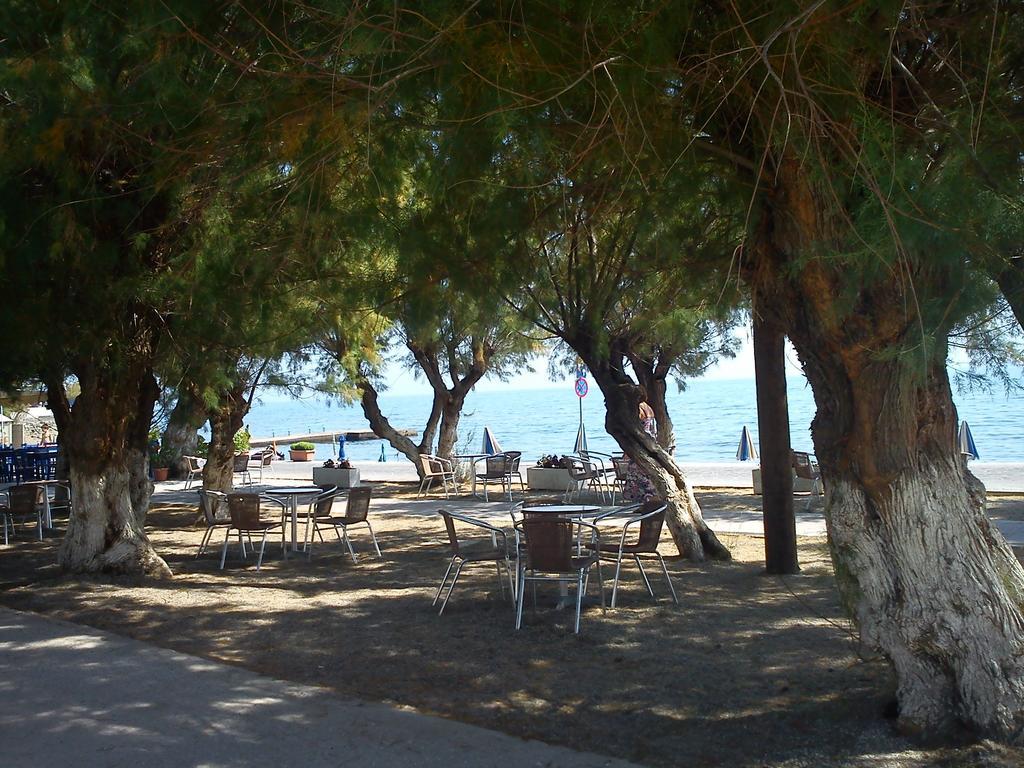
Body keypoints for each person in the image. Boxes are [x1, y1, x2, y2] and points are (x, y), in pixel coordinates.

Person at [622, 401, 658, 502]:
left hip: (640, 444)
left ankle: (646, 500)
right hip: (648, 442)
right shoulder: (648, 408)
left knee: (637, 476)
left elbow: (634, 432)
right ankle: (646, 501)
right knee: (644, 476)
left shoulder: (638, 409)